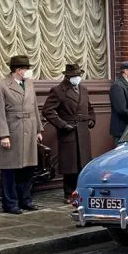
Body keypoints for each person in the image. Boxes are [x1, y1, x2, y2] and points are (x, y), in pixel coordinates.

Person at [0, 55, 44, 215]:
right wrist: (3, 135)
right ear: (18, 70)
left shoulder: (29, 83)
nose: (28, 72)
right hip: (13, 130)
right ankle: (10, 203)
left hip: (30, 128)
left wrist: (38, 129)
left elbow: (34, 107)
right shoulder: (0, 85)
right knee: (10, 169)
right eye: (26, 69)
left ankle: (25, 200)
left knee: (28, 168)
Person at [43, 63, 96, 203]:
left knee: (83, 162)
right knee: (70, 164)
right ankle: (69, 193)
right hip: (69, 131)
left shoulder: (83, 89)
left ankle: (82, 191)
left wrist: (91, 119)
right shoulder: (58, 90)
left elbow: (89, 108)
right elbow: (47, 111)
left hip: (83, 131)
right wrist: (62, 125)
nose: (77, 78)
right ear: (67, 76)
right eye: (74, 75)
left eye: (79, 75)